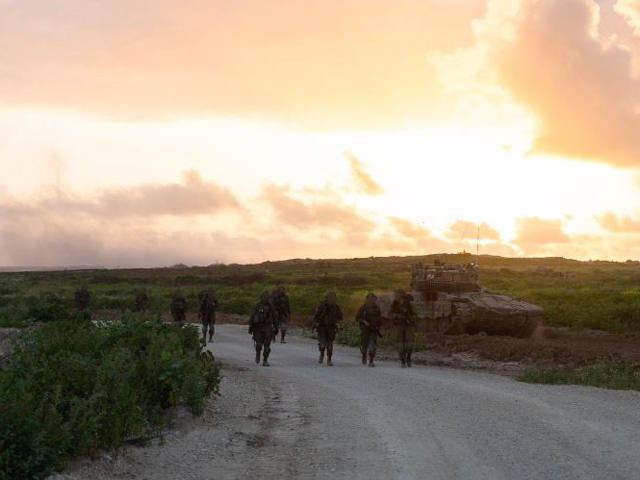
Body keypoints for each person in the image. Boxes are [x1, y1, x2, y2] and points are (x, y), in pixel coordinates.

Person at [312, 291, 343, 366]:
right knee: (322, 344)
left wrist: (340, 325)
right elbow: (316, 316)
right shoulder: (322, 306)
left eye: (333, 298)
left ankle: (329, 359)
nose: (332, 299)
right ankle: (322, 354)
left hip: (331, 327)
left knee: (330, 344)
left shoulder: (336, 307)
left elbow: (340, 317)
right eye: (331, 298)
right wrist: (316, 323)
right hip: (322, 327)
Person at [249, 291, 278, 366]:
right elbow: (252, 316)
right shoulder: (257, 306)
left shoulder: (271, 307)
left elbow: (274, 317)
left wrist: (276, 327)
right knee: (258, 345)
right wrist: (251, 327)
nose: (265, 298)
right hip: (258, 328)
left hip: (267, 327)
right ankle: (258, 354)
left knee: (267, 347)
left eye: (266, 297)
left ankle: (265, 360)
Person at [390, 289, 417, 368]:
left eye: (397, 294)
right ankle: (402, 360)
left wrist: (411, 319)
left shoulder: (409, 304)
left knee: (410, 343)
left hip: (409, 326)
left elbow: (415, 314)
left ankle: (408, 357)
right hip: (399, 326)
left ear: (400, 295)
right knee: (400, 344)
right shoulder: (394, 304)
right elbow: (390, 314)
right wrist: (397, 316)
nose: (395, 296)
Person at [356, 293, 382, 367]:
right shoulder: (363, 307)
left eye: (373, 299)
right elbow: (357, 318)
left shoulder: (377, 308)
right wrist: (364, 321)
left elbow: (380, 319)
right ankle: (364, 355)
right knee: (364, 345)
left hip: (373, 329)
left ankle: (371, 360)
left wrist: (379, 327)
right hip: (365, 329)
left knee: (372, 345)